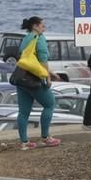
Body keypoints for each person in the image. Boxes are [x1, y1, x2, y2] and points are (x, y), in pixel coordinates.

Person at [15, 16, 61, 150]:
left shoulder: (26, 39)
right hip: (34, 79)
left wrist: (51, 72)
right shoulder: (39, 39)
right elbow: (42, 60)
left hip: (21, 77)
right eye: (42, 25)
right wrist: (48, 78)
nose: (44, 28)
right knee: (50, 104)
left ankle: (24, 142)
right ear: (35, 26)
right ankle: (46, 137)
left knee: (23, 112)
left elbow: (29, 60)